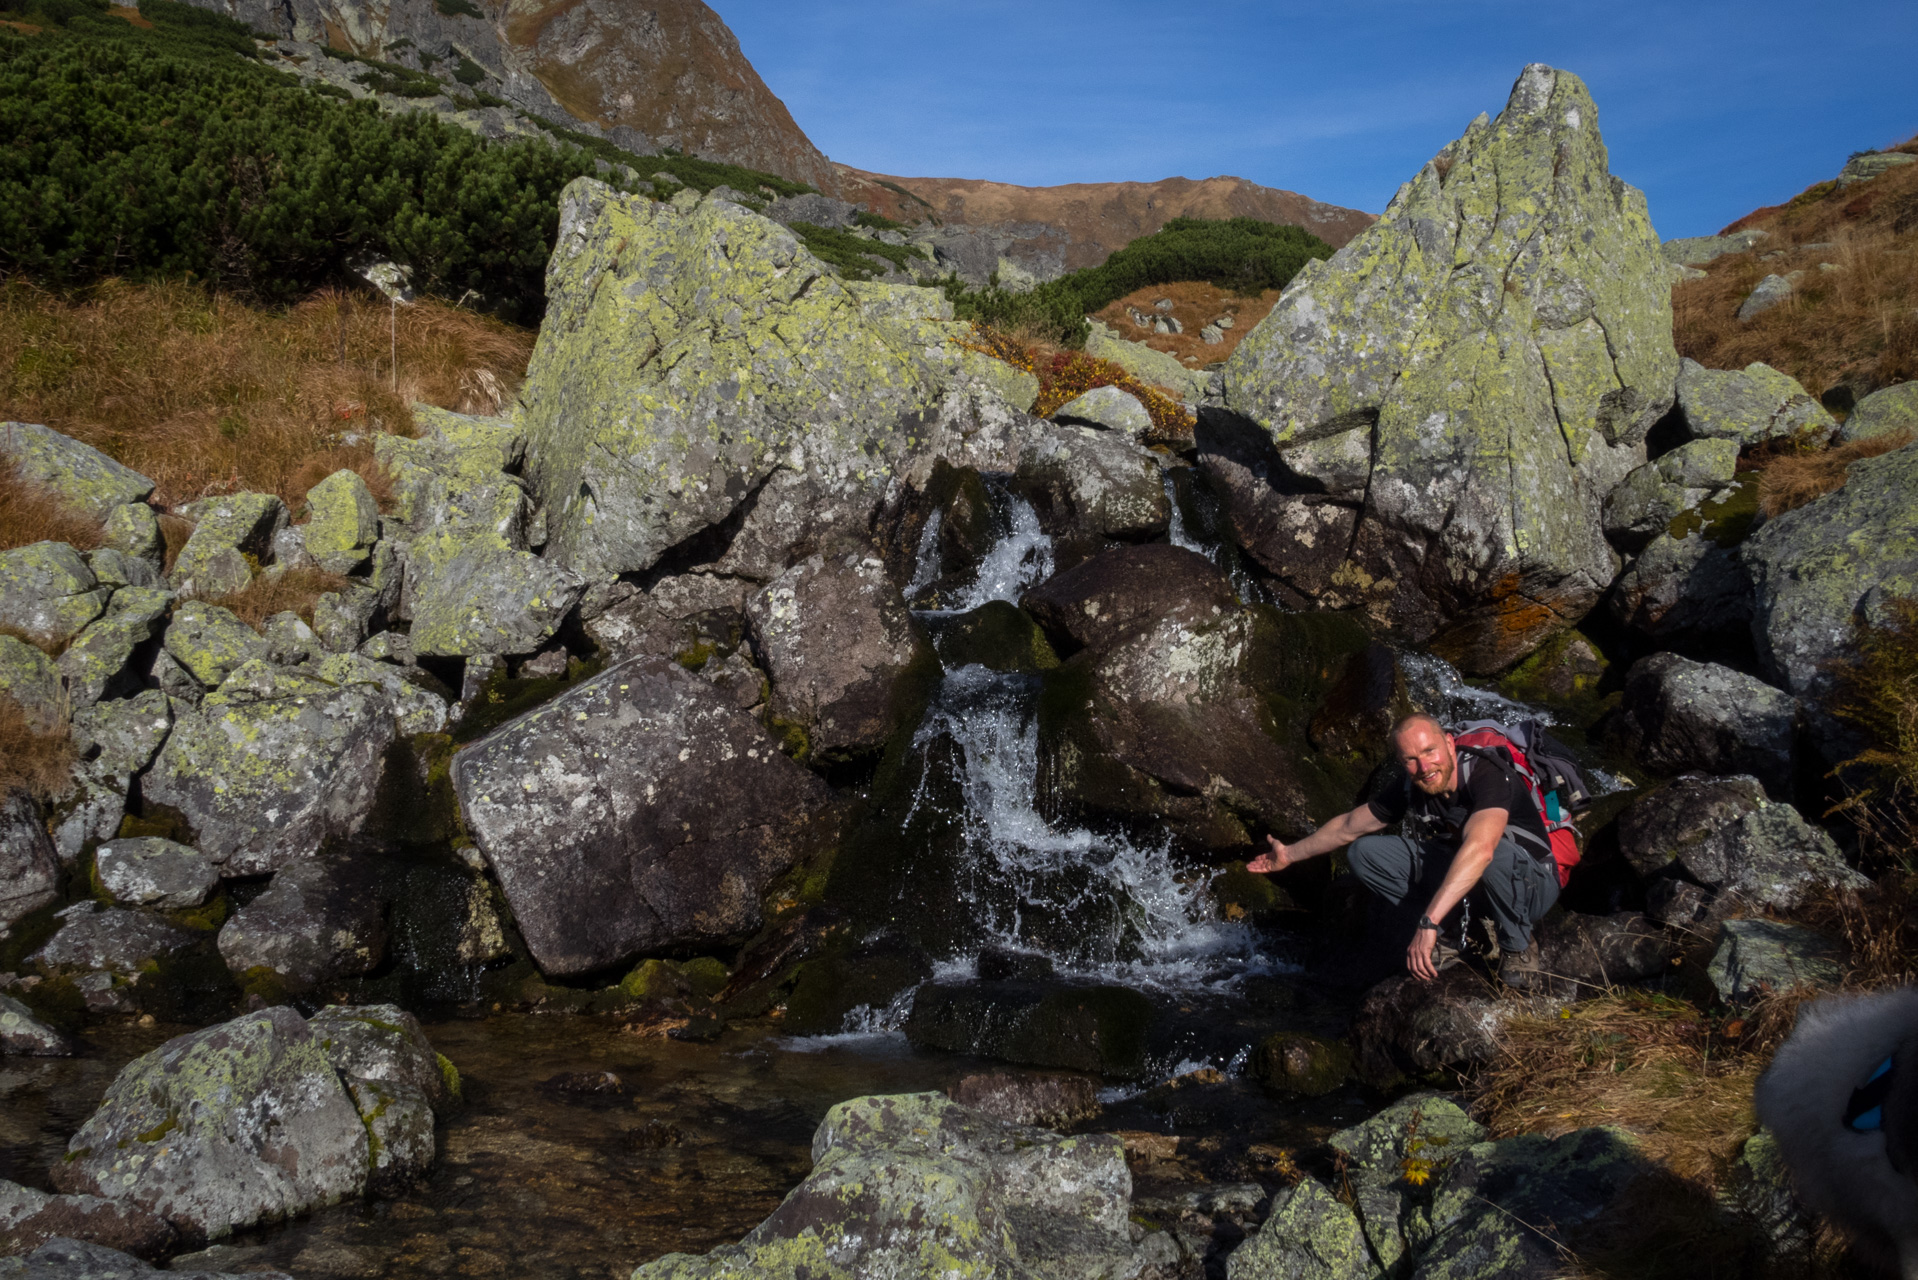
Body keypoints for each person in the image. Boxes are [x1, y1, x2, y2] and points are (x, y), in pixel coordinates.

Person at [1246, 712, 1558, 988]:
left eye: (1429, 751)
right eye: (1410, 759)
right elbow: (1349, 826)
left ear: (1449, 743)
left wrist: (1427, 923)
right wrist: (1289, 855)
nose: (1424, 767)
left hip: (1530, 887)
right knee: (1364, 853)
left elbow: (1482, 849)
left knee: (1492, 854)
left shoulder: (1486, 773)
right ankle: (1460, 933)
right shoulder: (1413, 783)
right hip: (1474, 888)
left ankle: (1518, 945)